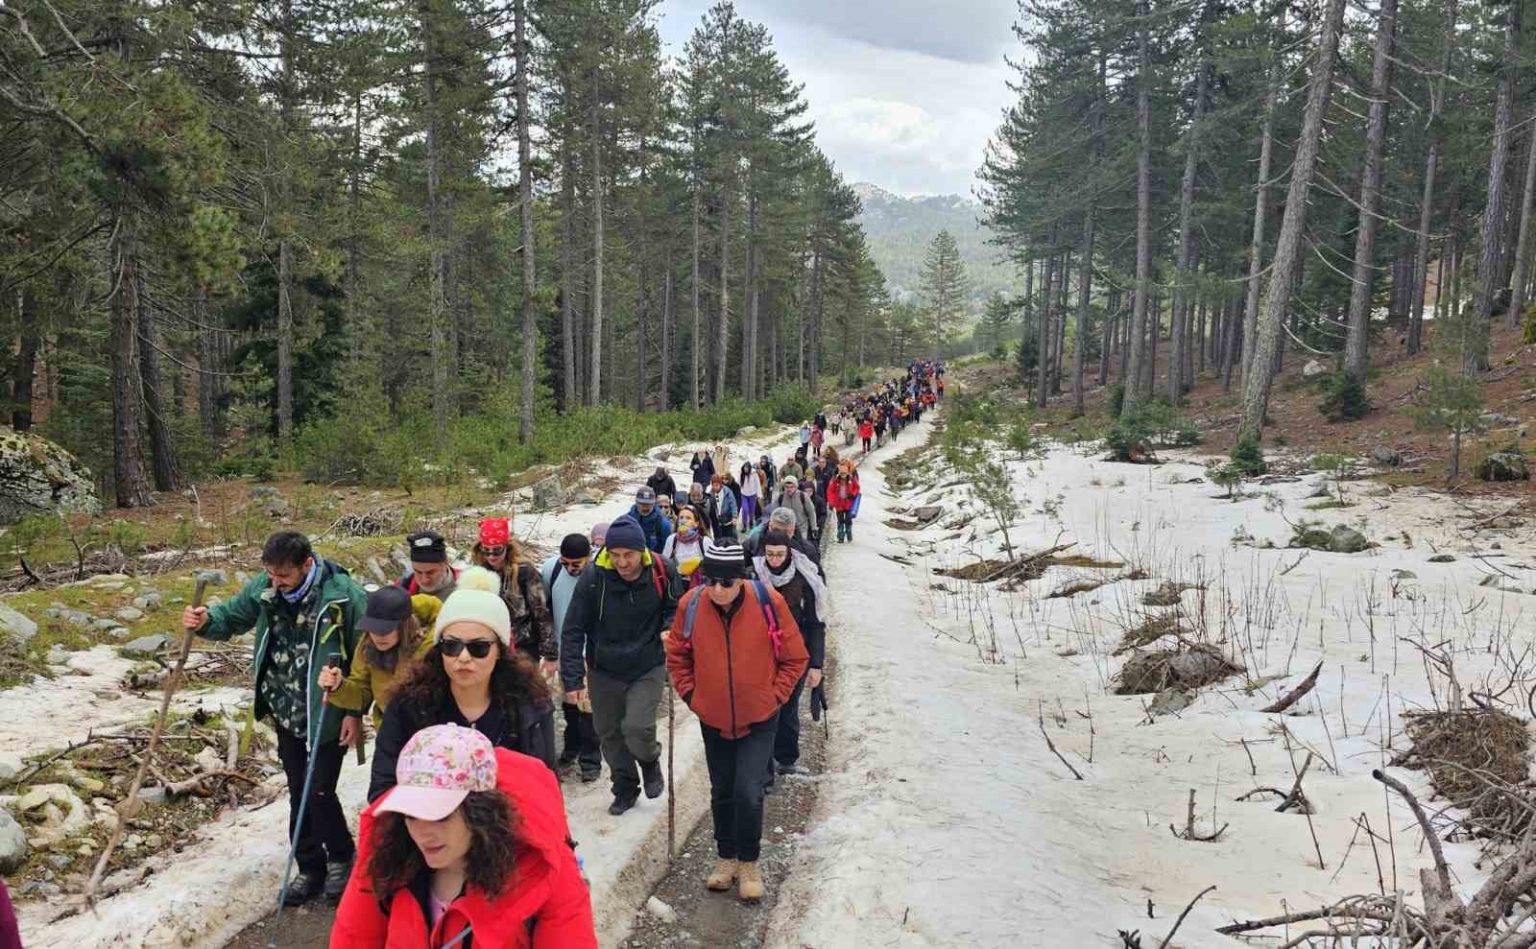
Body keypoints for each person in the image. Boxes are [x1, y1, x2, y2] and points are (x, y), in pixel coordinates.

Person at [183, 531, 366, 906]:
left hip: (328, 708)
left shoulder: (343, 595)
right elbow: (231, 617)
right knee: (299, 789)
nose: (276, 582)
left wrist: (354, 712)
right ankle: (310, 867)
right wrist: (204, 621)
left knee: (319, 789)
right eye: (270, 573)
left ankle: (342, 857)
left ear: (306, 564)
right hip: (284, 705)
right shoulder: (265, 588)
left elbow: (365, 656)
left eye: (284, 575)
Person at [331, 724, 597, 948]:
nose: (422, 832)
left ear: (479, 813)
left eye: (440, 815)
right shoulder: (386, 861)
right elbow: (353, 938)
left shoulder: (545, 874)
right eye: (410, 815)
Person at [665, 542, 808, 903]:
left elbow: (795, 657)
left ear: (741, 579)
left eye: (726, 582)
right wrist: (693, 696)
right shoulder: (691, 605)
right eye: (710, 580)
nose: (717, 589)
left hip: (759, 717)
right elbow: (677, 656)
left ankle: (749, 863)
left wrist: (774, 697)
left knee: (748, 790)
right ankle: (725, 857)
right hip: (713, 717)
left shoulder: (768, 603)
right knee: (723, 790)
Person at [368, 567, 558, 802]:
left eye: (479, 647)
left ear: (500, 650)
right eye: (452, 646)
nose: (463, 657)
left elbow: (546, 786)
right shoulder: (408, 705)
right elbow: (383, 788)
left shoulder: (530, 704)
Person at [560, 516, 678, 815]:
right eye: (615, 555)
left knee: (637, 726)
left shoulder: (662, 570)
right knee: (609, 733)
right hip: (603, 667)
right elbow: (573, 627)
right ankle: (625, 787)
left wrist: (669, 627)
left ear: (642, 551)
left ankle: (649, 761)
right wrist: (573, 678)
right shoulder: (593, 577)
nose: (622, 562)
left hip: (647, 663)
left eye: (629, 555)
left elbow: (675, 607)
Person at [752, 533, 826, 783]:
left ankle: (786, 758)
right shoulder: (754, 578)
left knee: (788, 705)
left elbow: (816, 623)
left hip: (795, 653)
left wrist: (816, 664)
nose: (774, 560)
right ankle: (763, 763)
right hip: (761, 653)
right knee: (765, 707)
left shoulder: (804, 579)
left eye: (779, 555)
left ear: (788, 554)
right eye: (770, 554)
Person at [319, 585, 440, 738]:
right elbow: (362, 695)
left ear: (404, 626)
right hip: (389, 731)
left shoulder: (433, 648)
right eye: (372, 628)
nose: (378, 636)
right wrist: (338, 686)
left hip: (430, 734)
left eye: (385, 629)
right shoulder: (367, 646)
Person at [540, 532, 602, 782]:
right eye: (565, 563)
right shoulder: (551, 569)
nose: (570, 568)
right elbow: (544, 607)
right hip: (561, 650)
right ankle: (571, 746)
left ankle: (591, 759)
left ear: (588, 557)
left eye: (576, 564)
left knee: (587, 708)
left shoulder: (599, 573)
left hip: (590, 651)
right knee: (568, 704)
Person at [471, 517, 556, 677]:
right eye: (486, 550)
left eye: (497, 550)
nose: (491, 556)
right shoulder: (478, 573)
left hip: (523, 647)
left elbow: (542, 613)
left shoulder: (525, 572)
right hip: (491, 646)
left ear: (507, 547)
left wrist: (550, 655)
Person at [399, 530, 458, 602]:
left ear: (445, 564)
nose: (424, 580)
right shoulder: (401, 587)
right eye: (418, 572)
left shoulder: (466, 587)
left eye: (430, 573)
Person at [662, 505, 710, 589]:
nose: (683, 521)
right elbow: (664, 564)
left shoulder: (705, 541)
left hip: (699, 587)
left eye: (688, 518)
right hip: (677, 586)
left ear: (696, 523)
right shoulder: (672, 539)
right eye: (681, 518)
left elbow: (711, 567)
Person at [769, 476, 817, 542]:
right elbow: (774, 512)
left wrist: (814, 528)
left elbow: (811, 512)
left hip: (801, 529)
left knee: (801, 546)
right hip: (785, 529)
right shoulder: (780, 497)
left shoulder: (803, 496)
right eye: (787, 487)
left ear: (796, 487)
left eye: (791, 487)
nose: (789, 489)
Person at [628, 486, 671, 554]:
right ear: (636, 502)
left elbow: (665, 552)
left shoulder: (663, 524)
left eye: (648, 504)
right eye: (642, 504)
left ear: (654, 504)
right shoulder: (627, 521)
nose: (645, 508)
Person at [828, 461, 861, 543]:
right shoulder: (835, 481)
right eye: (842, 474)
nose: (843, 476)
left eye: (844, 474)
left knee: (848, 520)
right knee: (840, 520)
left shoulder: (851, 480)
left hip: (848, 503)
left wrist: (853, 494)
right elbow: (830, 491)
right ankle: (840, 536)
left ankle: (849, 533)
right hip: (839, 504)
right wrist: (831, 502)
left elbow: (857, 488)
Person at [710, 474, 739, 542]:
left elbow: (733, 504)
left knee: (731, 538)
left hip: (729, 520)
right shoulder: (710, 494)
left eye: (717, 485)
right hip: (718, 522)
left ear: (720, 484)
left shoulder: (727, 492)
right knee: (719, 540)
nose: (715, 487)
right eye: (713, 485)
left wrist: (734, 516)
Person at [738, 462, 762, 530]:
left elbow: (757, 484)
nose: (745, 469)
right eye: (744, 468)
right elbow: (738, 483)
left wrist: (759, 494)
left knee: (752, 510)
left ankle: (751, 521)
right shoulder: (741, 474)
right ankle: (744, 524)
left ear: (749, 468)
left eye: (747, 468)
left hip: (752, 495)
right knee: (745, 509)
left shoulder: (754, 474)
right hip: (744, 495)